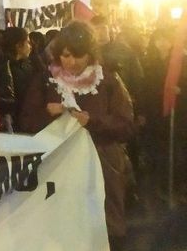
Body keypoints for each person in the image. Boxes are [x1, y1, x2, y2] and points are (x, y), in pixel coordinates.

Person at [27, 21, 134, 249]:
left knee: (105, 220)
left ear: (91, 54)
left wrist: (92, 121)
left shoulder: (107, 80)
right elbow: (27, 119)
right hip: (59, 163)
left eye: (78, 55)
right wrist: (48, 113)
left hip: (103, 161)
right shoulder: (46, 79)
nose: (71, 62)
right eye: (65, 56)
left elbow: (126, 124)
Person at [1, 26, 47, 133]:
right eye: (28, 42)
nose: (30, 46)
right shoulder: (9, 68)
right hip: (17, 122)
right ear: (18, 46)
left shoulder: (25, 64)